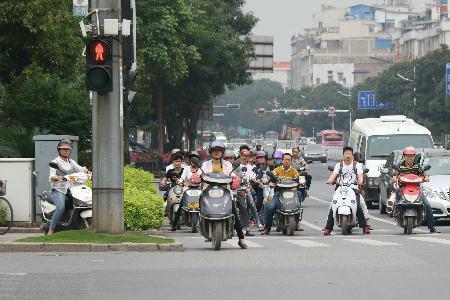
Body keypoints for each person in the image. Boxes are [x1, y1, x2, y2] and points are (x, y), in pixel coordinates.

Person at [202, 141, 247, 249]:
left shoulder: (228, 165)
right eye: (214, 150)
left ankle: (241, 239)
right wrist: (196, 177)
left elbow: (233, 175)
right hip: (208, 192)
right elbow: (200, 174)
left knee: (234, 213)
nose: (216, 152)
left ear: (222, 152)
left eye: (219, 151)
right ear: (211, 152)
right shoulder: (205, 165)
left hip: (225, 193)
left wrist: (235, 180)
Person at [323, 146, 370, 235]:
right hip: (341, 189)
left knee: (359, 206)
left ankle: (364, 227)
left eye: (349, 154)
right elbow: (334, 175)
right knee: (333, 205)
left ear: (352, 155)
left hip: (353, 189)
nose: (348, 156)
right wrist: (330, 180)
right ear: (343, 155)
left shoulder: (357, 165)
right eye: (346, 154)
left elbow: (360, 176)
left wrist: (360, 181)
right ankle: (328, 228)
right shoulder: (339, 165)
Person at [48, 139, 90, 235]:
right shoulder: (55, 162)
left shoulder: (71, 162)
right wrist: (58, 177)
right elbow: (51, 176)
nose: (66, 151)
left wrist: (88, 172)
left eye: (68, 150)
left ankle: (76, 225)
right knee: (60, 208)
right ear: (59, 150)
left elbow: (80, 169)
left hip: (70, 189)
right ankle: (51, 229)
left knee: (82, 203)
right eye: (64, 149)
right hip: (58, 190)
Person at [393, 147, 438, 233]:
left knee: (427, 206)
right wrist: (395, 178)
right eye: (407, 156)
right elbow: (395, 175)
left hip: (416, 189)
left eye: (411, 156)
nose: (409, 158)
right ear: (404, 157)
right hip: (403, 189)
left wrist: (426, 177)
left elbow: (424, 174)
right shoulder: (400, 166)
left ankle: (432, 227)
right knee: (397, 201)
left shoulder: (417, 166)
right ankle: (395, 212)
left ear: (414, 157)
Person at [261, 153, 299, 235]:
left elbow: (298, 182)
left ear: (291, 161)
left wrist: (298, 186)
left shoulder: (294, 171)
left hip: (291, 193)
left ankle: (297, 223)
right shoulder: (276, 170)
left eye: (289, 160)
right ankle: (267, 228)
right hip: (278, 192)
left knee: (298, 204)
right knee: (270, 207)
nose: (287, 161)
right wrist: (269, 182)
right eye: (285, 159)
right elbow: (269, 179)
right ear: (282, 160)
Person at [170, 152, 203, 231]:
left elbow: (205, 178)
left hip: (199, 189)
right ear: (190, 161)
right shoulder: (186, 169)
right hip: (187, 188)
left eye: (196, 159)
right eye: (192, 159)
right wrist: (180, 182)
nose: (194, 161)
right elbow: (182, 178)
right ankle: (174, 225)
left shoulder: (201, 170)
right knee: (181, 204)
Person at [237, 149, 262, 234]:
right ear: (240, 156)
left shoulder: (252, 167)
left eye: (247, 156)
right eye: (244, 156)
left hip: (246, 188)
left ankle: (258, 223)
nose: (245, 158)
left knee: (251, 204)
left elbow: (253, 178)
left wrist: (254, 181)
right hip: (236, 189)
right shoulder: (236, 166)